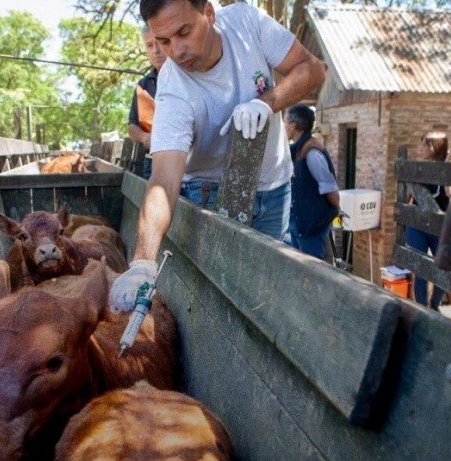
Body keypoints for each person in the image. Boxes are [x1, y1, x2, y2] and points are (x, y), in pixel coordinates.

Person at [109, 0, 326, 312]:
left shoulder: (247, 23)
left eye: (184, 32)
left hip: (275, 187)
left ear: (208, 13)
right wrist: (142, 262)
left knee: (265, 297)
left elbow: (312, 68)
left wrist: (266, 103)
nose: (177, 51)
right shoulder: (172, 90)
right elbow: (163, 181)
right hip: (208, 196)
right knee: (217, 304)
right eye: (164, 42)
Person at [283, 103, 340, 259]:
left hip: (311, 227)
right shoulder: (298, 149)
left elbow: (331, 191)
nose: (284, 126)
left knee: (313, 272)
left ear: (293, 126)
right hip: (299, 224)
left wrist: (327, 216)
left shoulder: (312, 152)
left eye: (285, 122)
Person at [407, 132, 450, 311]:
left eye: (426, 145)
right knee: (421, 269)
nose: (422, 148)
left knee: (445, 268)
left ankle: (434, 304)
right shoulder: (419, 168)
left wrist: (447, 168)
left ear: (435, 147)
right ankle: (422, 309)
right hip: (418, 225)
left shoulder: (447, 170)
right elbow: (409, 197)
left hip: (438, 227)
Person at [128, 24, 168, 180]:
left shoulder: (186, 76)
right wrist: (146, 138)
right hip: (151, 162)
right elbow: (132, 127)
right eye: (150, 45)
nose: (156, 50)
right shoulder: (143, 85)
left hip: (187, 163)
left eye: (159, 43)